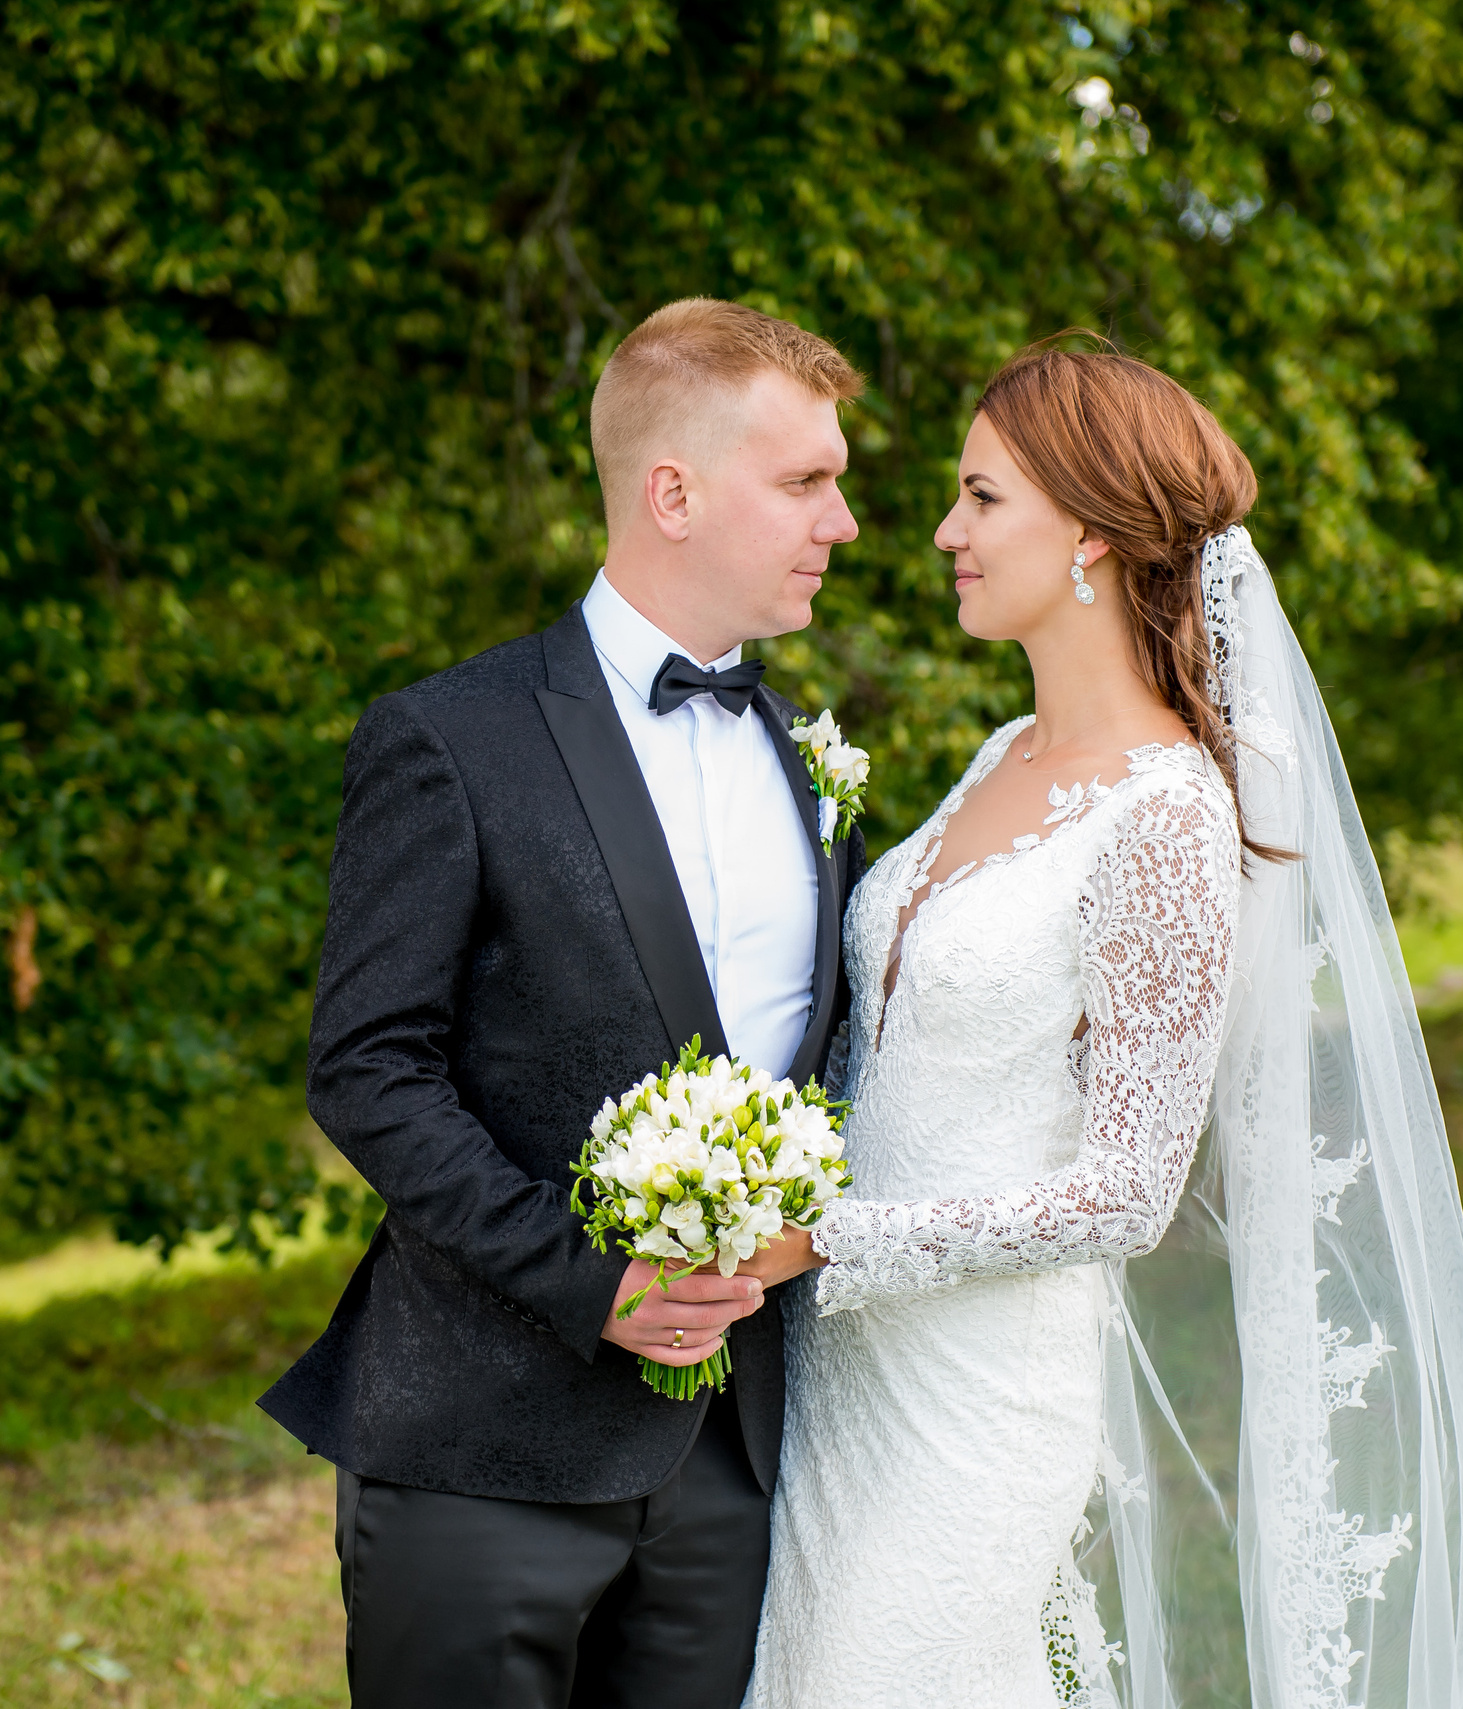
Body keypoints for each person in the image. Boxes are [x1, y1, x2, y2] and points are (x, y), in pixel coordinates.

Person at [739, 344, 1463, 1709]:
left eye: (980, 498)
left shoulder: (1167, 818)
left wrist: (830, 1237)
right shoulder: (997, 758)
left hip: (978, 1393)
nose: (943, 532)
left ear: (1089, 530)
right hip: (842, 1371)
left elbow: (1131, 1192)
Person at [259, 297, 869, 1709]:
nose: (842, 521)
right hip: (485, 1443)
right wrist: (597, 1282)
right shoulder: (448, 738)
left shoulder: (811, 755)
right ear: (673, 492)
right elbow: (370, 1069)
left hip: (737, 1456)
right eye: (806, 482)